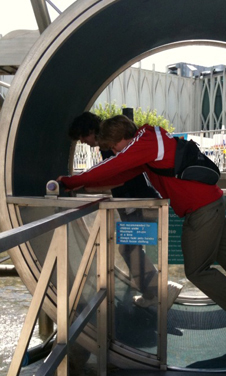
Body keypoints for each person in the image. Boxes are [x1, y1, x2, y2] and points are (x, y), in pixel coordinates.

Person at [59, 114, 226, 344]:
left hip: (201, 209)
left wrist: (69, 181)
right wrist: (82, 184)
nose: (115, 151)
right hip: (211, 203)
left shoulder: (144, 143)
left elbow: (113, 166)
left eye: (114, 146)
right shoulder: (149, 139)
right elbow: (122, 174)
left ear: (121, 136)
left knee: (197, 270)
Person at [68, 112, 183, 309]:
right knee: (132, 248)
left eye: (82, 135)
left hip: (135, 203)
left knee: (129, 249)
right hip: (139, 201)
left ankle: (157, 292)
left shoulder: (109, 145)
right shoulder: (113, 145)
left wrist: (83, 185)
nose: (81, 141)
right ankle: (157, 288)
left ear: (91, 130)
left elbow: (118, 176)